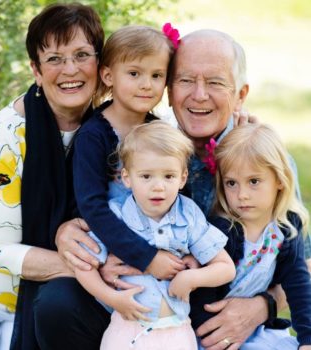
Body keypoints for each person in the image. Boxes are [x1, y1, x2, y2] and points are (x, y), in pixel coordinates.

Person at [55, 28, 311, 350]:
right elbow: (106, 212)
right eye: (186, 80)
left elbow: (302, 260)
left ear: (241, 94)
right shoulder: (150, 150)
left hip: (238, 326)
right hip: (147, 317)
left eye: (216, 82)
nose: (199, 95)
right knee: (57, 304)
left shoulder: (264, 161)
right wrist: (72, 235)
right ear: (169, 89)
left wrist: (263, 306)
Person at [0, 3, 104, 350]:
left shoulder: (113, 123)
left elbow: (162, 145)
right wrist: (97, 270)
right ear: (36, 71)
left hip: (43, 300)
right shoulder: (8, 133)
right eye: (54, 58)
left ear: (100, 64)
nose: (70, 69)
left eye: (82, 54)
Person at [75, 121, 236, 350]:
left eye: (168, 176)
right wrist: (112, 299)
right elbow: (83, 265)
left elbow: (225, 268)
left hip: (177, 332)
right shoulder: (116, 216)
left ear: (182, 178)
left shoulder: (188, 214)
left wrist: (191, 279)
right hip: (127, 330)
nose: (158, 187)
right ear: (127, 177)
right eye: (146, 176)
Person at [73, 24, 182, 275]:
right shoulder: (93, 136)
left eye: (156, 75)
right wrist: (146, 258)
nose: (147, 85)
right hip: (113, 246)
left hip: (160, 237)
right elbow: (92, 207)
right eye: (134, 74)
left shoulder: (160, 131)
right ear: (108, 76)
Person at [210, 123, 311, 349]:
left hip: (260, 329)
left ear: (280, 180)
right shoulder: (222, 229)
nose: (242, 195)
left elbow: (298, 283)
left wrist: (307, 338)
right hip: (214, 329)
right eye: (231, 183)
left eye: (254, 181)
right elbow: (202, 292)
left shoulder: (286, 227)